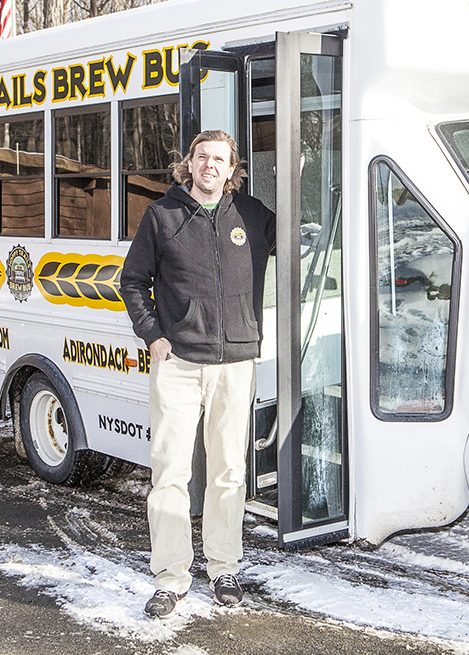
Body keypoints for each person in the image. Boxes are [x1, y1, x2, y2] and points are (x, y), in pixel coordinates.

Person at [120, 129, 275, 618]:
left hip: (235, 363)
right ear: (188, 164)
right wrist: (154, 335)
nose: (210, 165)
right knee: (170, 472)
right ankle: (170, 577)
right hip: (179, 363)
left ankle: (224, 568)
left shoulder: (252, 216)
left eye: (220, 159)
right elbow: (132, 281)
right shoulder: (162, 216)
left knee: (229, 471)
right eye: (202, 157)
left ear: (233, 170)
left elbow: (301, 237)